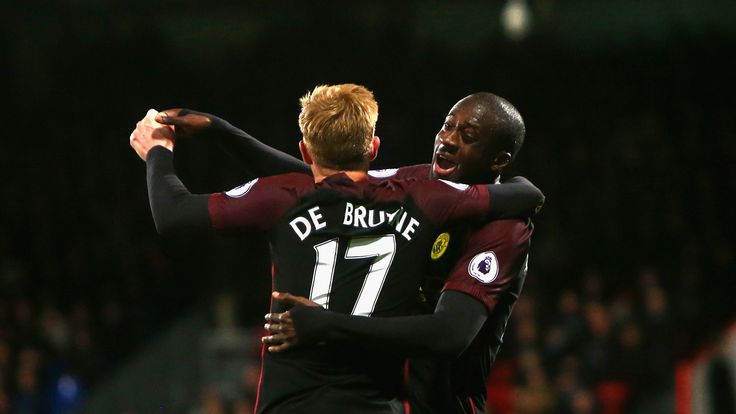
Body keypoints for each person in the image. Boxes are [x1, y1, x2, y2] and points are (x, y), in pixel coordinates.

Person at [129, 84, 543, 414]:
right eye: (447, 126)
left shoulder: (502, 230)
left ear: (498, 158)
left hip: (440, 404)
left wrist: (326, 323)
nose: (447, 141)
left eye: (467, 136)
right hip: (387, 398)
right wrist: (225, 133)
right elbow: (328, 182)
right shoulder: (425, 188)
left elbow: (448, 334)